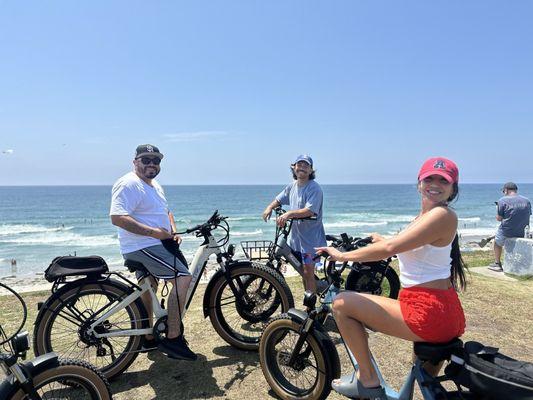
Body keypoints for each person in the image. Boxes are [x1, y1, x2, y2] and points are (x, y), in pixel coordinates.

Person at [316, 157, 467, 399]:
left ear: (453, 188)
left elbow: (390, 249)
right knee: (423, 377)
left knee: (341, 304)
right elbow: (405, 246)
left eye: (444, 181)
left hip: (426, 312)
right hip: (440, 311)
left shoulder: (442, 215)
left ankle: (366, 380)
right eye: (430, 178)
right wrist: (381, 239)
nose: (435, 184)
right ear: (419, 183)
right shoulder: (426, 217)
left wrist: (342, 256)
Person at [110, 144, 196, 360]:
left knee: (149, 287)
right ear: (135, 162)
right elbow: (118, 217)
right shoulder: (129, 183)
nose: (151, 164)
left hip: (153, 244)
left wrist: (172, 231)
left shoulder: (154, 185)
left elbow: (165, 212)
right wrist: (155, 234)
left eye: (155, 160)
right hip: (141, 246)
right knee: (183, 278)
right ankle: (174, 338)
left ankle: (148, 337)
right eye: (146, 159)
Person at [262, 154, 326, 293]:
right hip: (297, 239)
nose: (302, 167)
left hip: (311, 241)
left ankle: (312, 309)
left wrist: (289, 214)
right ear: (294, 167)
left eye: (306, 165)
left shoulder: (314, 188)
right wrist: (269, 208)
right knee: (303, 272)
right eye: (299, 164)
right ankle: (310, 300)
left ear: (310, 170)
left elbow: (310, 210)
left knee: (308, 273)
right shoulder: (292, 186)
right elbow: (279, 199)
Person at [488, 182, 531, 272]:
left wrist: (498, 208)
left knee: (497, 242)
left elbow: (499, 219)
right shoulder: (526, 200)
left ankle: (497, 264)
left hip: (507, 231)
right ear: (515, 190)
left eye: (504, 191)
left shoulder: (502, 200)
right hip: (521, 231)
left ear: (506, 190)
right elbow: (527, 214)